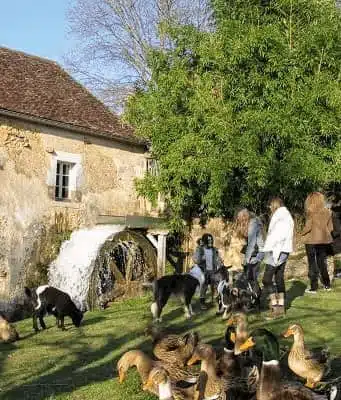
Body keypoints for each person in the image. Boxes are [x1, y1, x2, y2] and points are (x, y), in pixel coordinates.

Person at [262, 197, 294, 319]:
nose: (269, 208)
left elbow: (279, 238)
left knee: (266, 279)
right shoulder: (286, 215)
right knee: (279, 278)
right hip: (282, 251)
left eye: (270, 205)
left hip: (277, 251)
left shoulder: (281, 217)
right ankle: (281, 307)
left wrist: (275, 256)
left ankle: (276, 307)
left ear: (275, 205)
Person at [302, 192, 333, 293]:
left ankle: (313, 287)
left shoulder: (310, 211)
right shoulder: (327, 212)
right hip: (323, 240)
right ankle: (327, 284)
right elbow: (331, 228)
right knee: (322, 262)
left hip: (311, 240)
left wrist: (302, 233)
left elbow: (308, 227)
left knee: (312, 263)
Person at [192, 233, 223, 310]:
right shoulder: (200, 249)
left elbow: (217, 259)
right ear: (205, 241)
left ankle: (215, 301)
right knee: (204, 287)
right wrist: (202, 258)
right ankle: (202, 303)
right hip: (204, 271)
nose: (210, 242)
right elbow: (195, 260)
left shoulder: (214, 249)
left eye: (211, 240)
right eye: (208, 240)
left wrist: (220, 262)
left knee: (215, 286)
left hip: (213, 271)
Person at [234, 208, 264, 283]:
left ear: (243, 216)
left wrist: (246, 260)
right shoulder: (249, 223)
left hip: (257, 252)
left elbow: (251, 243)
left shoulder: (253, 223)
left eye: (239, 218)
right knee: (250, 278)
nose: (238, 220)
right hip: (254, 251)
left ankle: (266, 293)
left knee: (252, 278)